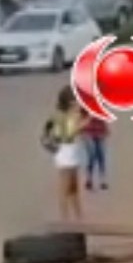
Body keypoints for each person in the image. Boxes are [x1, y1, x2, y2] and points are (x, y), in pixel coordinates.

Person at [44, 86, 87, 221]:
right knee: (65, 187)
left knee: (74, 186)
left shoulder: (70, 115)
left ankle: (78, 214)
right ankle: (65, 218)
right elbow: (69, 134)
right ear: (69, 103)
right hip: (65, 153)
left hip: (72, 151)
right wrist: (86, 123)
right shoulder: (63, 117)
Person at [82, 115, 110, 190]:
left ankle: (102, 180)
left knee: (101, 157)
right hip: (89, 133)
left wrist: (105, 130)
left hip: (100, 132)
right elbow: (83, 119)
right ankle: (89, 179)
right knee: (92, 156)